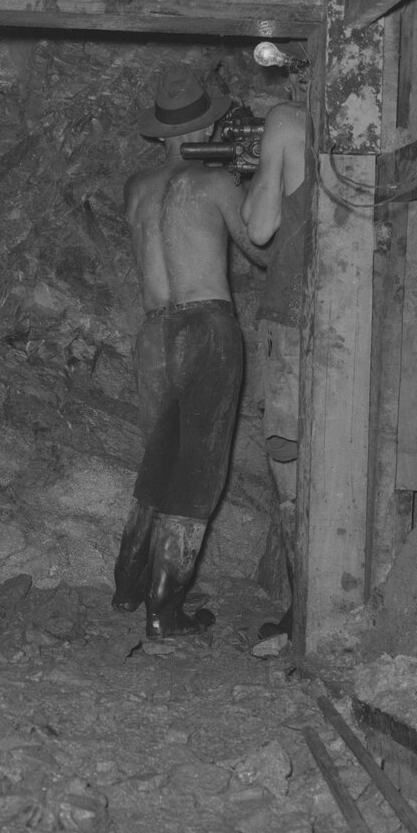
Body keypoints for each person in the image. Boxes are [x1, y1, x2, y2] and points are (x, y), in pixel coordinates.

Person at [113, 66, 266, 640]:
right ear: (211, 122)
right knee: (198, 469)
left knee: (158, 460)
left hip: (153, 333)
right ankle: (164, 608)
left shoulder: (136, 186)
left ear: (159, 133)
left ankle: (128, 585)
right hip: (206, 327)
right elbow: (262, 251)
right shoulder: (216, 183)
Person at [240, 100, 316, 643]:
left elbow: (261, 227)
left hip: (291, 315)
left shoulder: (289, 120)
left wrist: (258, 173)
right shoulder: (391, 113)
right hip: (360, 312)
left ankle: (304, 617)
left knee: (292, 478)